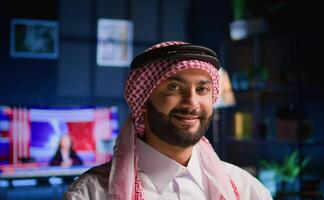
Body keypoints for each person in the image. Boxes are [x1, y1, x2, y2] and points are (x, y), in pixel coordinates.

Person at [64, 41, 272, 199]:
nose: (191, 103)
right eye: (174, 88)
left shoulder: (246, 190)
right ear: (143, 100)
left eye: (202, 89)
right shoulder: (90, 194)